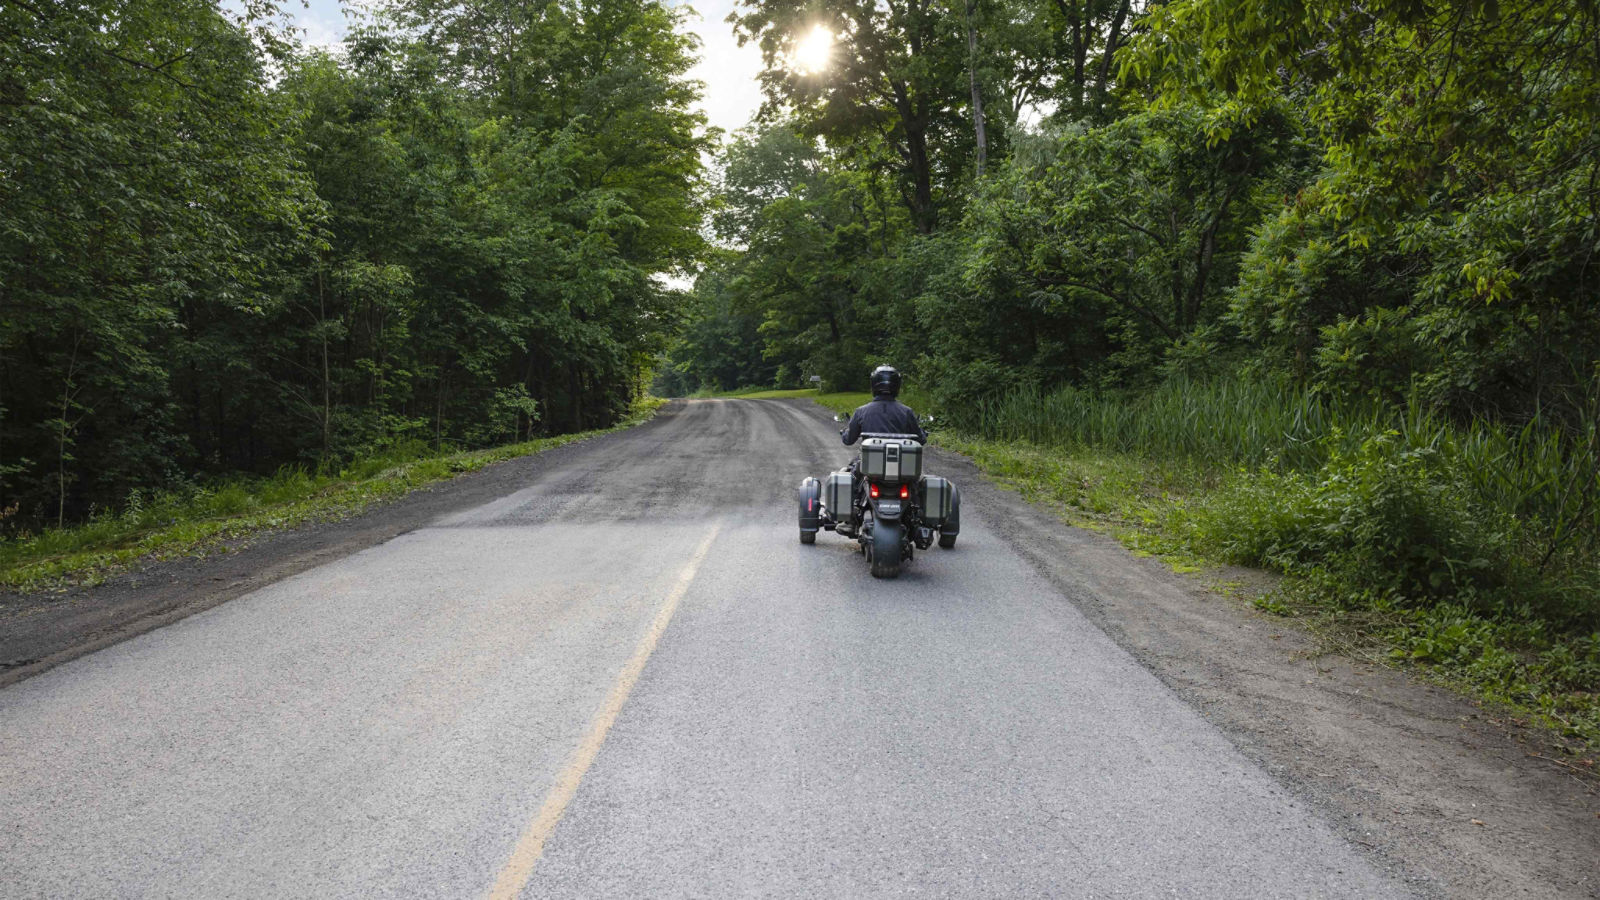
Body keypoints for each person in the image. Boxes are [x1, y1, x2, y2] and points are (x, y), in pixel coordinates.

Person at [841, 364, 927, 445]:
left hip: (870, 459)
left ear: (873, 384)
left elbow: (848, 440)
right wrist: (923, 433)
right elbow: (921, 440)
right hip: (899, 459)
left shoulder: (861, 411)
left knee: (855, 461)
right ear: (897, 386)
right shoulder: (907, 412)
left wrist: (844, 432)